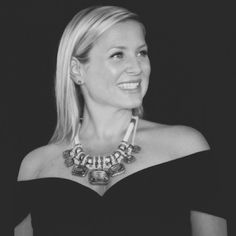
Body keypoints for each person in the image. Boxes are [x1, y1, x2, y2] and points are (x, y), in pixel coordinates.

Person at [14, 5, 227, 236]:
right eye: (117, 55)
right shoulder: (35, 167)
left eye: (142, 53)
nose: (137, 67)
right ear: (77, 70)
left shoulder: (185, 147)